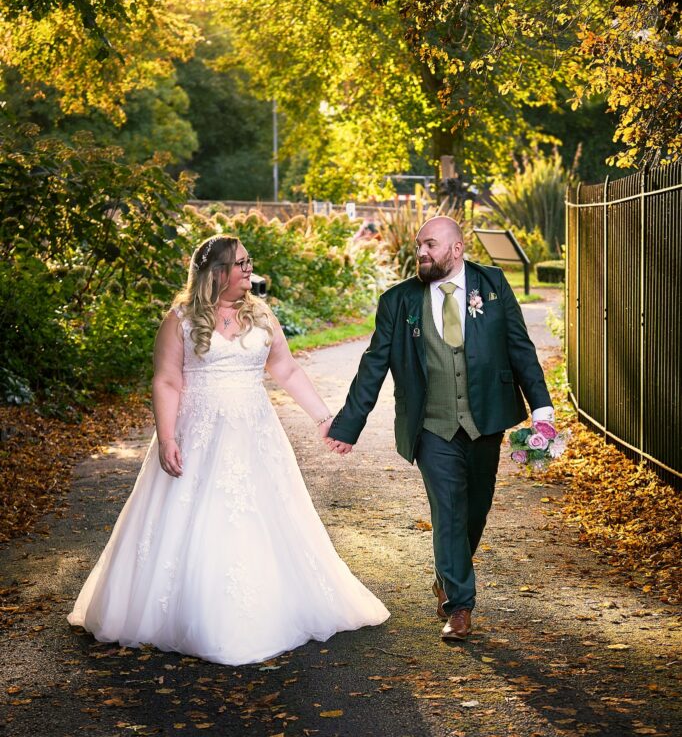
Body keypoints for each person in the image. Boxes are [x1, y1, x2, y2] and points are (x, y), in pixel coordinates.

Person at [68, 234, 389, 665]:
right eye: (240, 263)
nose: (248, 269)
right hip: (197, 435)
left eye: (248, 261)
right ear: (216, 273)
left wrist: (322, 418)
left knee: (261, 516)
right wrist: (167, 437)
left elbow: (286, 368)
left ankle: (264, 611)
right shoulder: (180, 319)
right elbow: (167, 380)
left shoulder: (261, 314)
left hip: (255, 434)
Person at [325, 216, 553, 643]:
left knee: (476, 510)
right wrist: (349, 423)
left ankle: (447, 577)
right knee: (448, 510)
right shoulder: (398, 301)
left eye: (430, 244)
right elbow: (374, 365)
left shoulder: (492, 285)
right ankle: (460, 606)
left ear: (456, 248)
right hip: (431, 425)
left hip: (486, 418)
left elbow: (519, 346)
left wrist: (542, 407)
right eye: (418, 246)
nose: (421, 253)